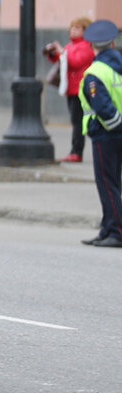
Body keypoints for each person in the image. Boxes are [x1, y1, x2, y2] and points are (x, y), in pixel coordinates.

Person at [77, 19, 122, 248]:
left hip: (106, 135)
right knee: (114, 183)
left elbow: (104, 108)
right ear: (113, 44)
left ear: (93, 46)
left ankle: (116, 231)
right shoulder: (119, 66)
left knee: (107, 183)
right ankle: (107, 228)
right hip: (116, 134)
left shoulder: (94, 73)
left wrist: (114, 127)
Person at [43, 16, 95, 162]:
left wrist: (61, 51)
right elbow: (61, 59)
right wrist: (52, 53)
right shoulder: (71, 45)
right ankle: (76, 151)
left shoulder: (86, 46)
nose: (73, 30)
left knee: (79, 122)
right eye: (72, 27)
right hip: (71, 89)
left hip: (81, 90)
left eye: (77, 28)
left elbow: (75, 61)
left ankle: (76, 152)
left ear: (85, 31)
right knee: (76, 121)